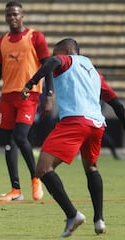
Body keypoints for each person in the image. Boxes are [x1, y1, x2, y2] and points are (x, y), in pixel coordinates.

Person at [20, 38, 108, 237]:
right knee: (91, 167)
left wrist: (31, 83)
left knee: (42, 168)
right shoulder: (94, 72)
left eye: (57, 53)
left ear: (68, 51)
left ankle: (72, 215)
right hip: (97, 125)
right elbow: (115, 103)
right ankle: (99, 220)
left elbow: (51, 63)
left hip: (75, 122)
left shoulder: (68, 60)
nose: (54, 57)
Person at [0, 1, 53, 201]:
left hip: (28, 94)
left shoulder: (35, 37)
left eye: (15, 14)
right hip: (7, 96)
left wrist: (49, 96)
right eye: (9, 15)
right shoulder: (2, 41)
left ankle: (36, 179)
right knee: (9, 143)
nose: (12, 18)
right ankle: (16, 190)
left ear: (22, 15)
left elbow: (47, 67)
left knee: (20, 137)